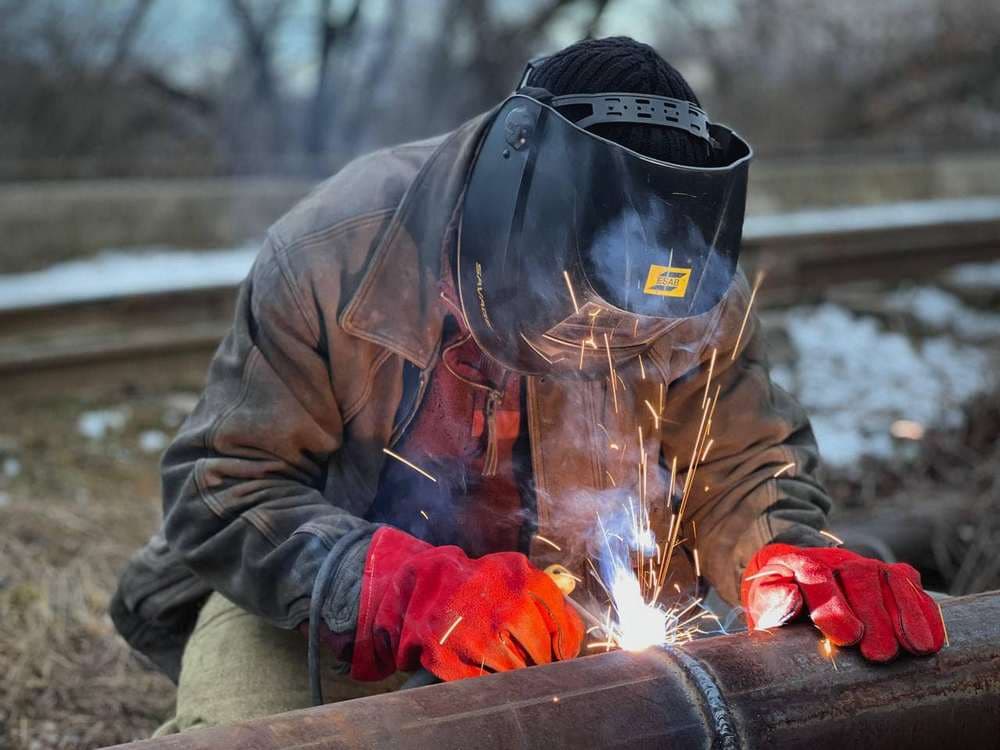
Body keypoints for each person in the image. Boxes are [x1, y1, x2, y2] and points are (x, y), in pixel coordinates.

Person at [111, 37, 944, 733]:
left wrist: (778, 554)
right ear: (509, 212)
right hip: (326, 603)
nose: (604, 348)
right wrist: (401, 588)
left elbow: (742, 469)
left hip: (569, 602)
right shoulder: (331, 252)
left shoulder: (690, 277)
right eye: (586, 311)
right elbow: (221, 488)